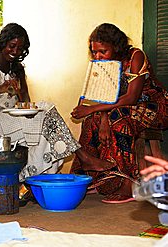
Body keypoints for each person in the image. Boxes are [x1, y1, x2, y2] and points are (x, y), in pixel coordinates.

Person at [0, 23, 81, 183]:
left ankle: (37, 179)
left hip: (11, 120)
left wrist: (20, 95)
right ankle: (80, 156)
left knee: (44, 118)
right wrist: (0, 88)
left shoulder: (17, 70)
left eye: (20, 48)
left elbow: (26, 102)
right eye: (12, 46)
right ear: (3, 43)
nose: (15, 52)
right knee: (46, 113)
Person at [71, 23, 168, 204]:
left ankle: (127, 184)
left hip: (155, 107)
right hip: (119, 107)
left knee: (119, 120)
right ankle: (96, 177)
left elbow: (131, 98)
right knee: (92, 120)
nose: (97, 56)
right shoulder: (102, 65)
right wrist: (102, 118)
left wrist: (93, 109)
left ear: (116, 47)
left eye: (103, 51)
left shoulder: (135, 57)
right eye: (94, 52)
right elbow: (100, 98)